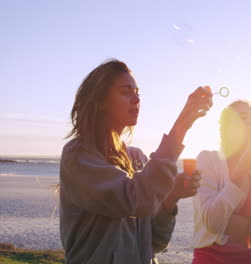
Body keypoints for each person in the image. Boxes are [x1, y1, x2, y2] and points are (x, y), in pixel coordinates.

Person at [59, 59, 212, 264]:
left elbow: (153, 244)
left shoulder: (137, 158)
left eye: (137, 92)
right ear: (100, 101)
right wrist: (181, 126)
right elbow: (132, 200)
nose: (136, 99)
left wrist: (171, 196)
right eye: (125, 92)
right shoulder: (78, 155)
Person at [191, 100, 251, 264]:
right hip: (211, 258)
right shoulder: (208, 160)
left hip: (246, 257)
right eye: (244, 117)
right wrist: (239, 175)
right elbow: (212, 223)